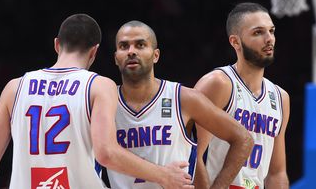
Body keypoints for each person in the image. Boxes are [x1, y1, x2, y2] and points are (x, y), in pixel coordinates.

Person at [0, 14, 196, 189]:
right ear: (94, 52)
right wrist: (164, 176)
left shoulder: (15, 88)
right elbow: (106, 153)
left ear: (57, 45)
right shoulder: (98, 85)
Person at [106, 20, 254, 189]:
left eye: (140, 45)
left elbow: (243, 139)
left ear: (156, 55)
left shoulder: (183, 98)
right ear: (116, 58)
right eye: (124, 46)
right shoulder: (104, 102)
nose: (131, 51)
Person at [194, 2, 290, 189]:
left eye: (271, 31)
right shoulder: (218, 84)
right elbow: (190, 154)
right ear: (235, 42)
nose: (269, 39)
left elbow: (276, 172)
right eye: (258, 32)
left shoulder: (280, 97)